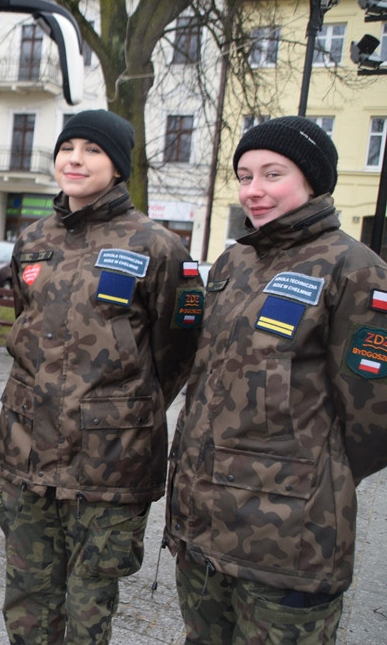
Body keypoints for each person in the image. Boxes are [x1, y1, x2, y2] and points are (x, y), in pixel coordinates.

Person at [165, 116, 387, 643]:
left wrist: (310, 477)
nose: (254, 191)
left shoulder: (355, 271)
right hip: (204, 527)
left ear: (312, 179)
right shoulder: (233, 261)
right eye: (244, 176)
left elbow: (373, 420)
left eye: (272, 174)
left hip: (289, 542)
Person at [0, 109, 203, 644]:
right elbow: (26, 323)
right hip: (30, 452)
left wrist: (119, 410)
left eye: (92, 150)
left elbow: (175, 352)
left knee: (89, 610)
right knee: (26, 600)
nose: (75, 160)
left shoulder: (158, 247)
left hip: (108, 466)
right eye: (68, 148)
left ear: (117, 167)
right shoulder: (35, 237)